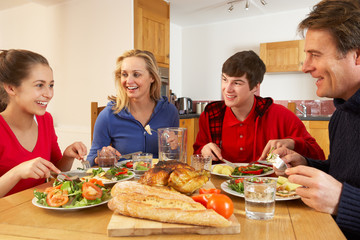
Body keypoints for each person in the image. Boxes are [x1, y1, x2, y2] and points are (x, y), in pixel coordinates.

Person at [272, 0, 360, 238]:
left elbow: (343, 191)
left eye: (315, 55)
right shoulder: (341, 114)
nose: (305, 67)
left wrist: (343, 201)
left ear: (357, 55)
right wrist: (305, 164)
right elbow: (341, 173)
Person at [193, 50, 325, 163]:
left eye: (237, 83)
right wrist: (203, 151)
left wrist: (292, 143)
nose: (227, 89)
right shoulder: (211, 115)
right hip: (219, 190)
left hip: (267, 189)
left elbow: (319, 157)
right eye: (224, 79)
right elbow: (197, 155)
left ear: (255, 86)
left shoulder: (280, 115)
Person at [0, 49, 87, 197]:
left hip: (39, 212)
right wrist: (17, 172)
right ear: (11, 88)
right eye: (39, 85)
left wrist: (67, 157)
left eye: (51, 85)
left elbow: (55, 174)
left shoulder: (45, 120)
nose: (49, 94)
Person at [87, 50, 179, 166]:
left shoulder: (169, 112)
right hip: (125, 181)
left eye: (136, 74)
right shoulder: (108, 115)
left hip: (159, 179)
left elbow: (174, 159)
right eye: (124, 74)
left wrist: (174, 147)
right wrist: (101, 157)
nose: (128, 81)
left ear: (152, 77)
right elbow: (91, 159)